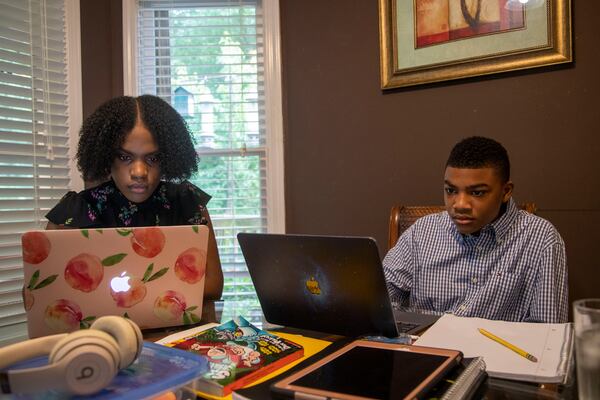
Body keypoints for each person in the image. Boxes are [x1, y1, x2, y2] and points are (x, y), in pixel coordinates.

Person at [45, 95, 223, 300]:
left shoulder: (187, 203)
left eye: (153, 158)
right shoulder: (75, 210)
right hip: (101, 332)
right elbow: (40, 295)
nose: (139, 171)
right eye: (125, 157)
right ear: (105, 155)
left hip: (177, 331)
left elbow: (213, 285)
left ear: (166, 158)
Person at [383, 136, 568, 323]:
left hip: (500, 351)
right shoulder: (422, 232)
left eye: (477, 193)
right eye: (451, 191)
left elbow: (548, 332)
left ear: (506, 192)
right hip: (428, 347)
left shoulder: (541, 239)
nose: (460, 204)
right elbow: (381, 302)